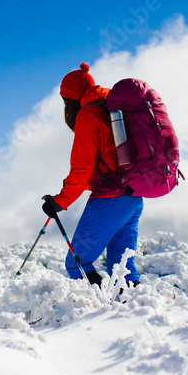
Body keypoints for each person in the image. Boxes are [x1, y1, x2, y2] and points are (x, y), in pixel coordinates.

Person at [42, 63, 143, 286]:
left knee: (77, 263)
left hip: (109, 201)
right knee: (122, 268)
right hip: (134, 196)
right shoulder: (111, 110)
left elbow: (81, 168)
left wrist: (59, 202)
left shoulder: (88, 116)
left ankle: (94, 310)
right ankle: (134, 310)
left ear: (70, 98)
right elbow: (109, 162)